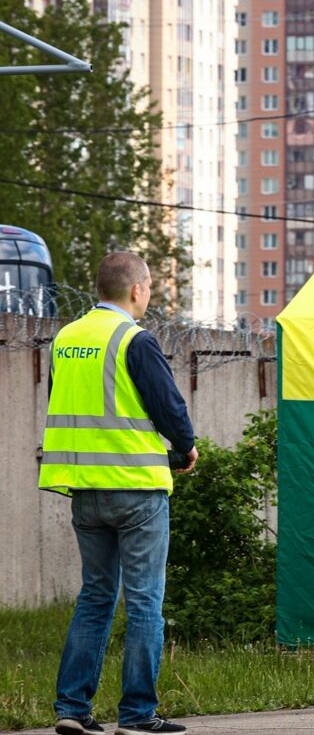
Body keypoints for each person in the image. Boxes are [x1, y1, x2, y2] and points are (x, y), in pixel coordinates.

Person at [40, 252, 196, 735]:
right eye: (148, 288)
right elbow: (168, 406)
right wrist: (186, 447)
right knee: (145, 600)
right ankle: (136, 715)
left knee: (95, 597)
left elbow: (61, 403)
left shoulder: (66, 339)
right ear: (137, 290)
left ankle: (71, 708)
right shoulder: (134, 339)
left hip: (85, 490)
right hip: (137, 489)